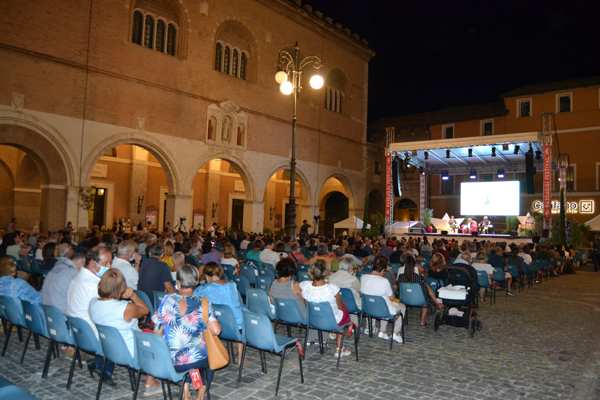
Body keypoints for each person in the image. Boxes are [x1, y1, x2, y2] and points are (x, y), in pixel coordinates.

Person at [153, 265, 221, 400]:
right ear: (196, 282)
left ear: (178, 282)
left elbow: (156, 329)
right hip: (196, 360)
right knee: (209, 363)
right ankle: (201, 392)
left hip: (171, 361)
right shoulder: (204, 303)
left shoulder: (166, 300)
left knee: (188, 361)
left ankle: (185, 389)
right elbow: (216, 330)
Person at [89, 269, 160, 395]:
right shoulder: (126, 308)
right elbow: (145, 310)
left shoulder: (93, 303)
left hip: (108, 350)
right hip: (131, 353)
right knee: (156, 337)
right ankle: (150, 382)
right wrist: (133, 296)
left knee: (146, 331)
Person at [66, 247, 118, 386]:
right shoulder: (95, 285)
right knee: (117, 333)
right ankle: (104, 371)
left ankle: (97, 362)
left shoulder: (76, 277)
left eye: (110, 263)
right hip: (90, 335)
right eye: (106, 264)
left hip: (76, 331)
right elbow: (106, 315)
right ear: (93, 264)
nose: (109, 267)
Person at [194, 262, 247, 365]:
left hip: (216, 327)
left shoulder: (203, 289)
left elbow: (194, 295)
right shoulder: (232, 285)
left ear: (207, 275)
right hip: (237, 327)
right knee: (238, 315)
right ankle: (241, 357)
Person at [300, 259, 352, 357]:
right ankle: (339, 348)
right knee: (344, 310)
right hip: (330, 320)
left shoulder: (305, 286)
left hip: (313, 319)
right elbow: (340, 307)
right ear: (326, 272)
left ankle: (334, 334)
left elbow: (307, 304)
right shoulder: (332, 288)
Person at [360, 256, 404, 342]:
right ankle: (395, 333)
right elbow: (392, 297)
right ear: (383, 270)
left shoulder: (363, 277)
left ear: (372, 266)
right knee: (402, 307)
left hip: (368, 308)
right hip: (383, 310)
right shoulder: (384, 281)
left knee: (386, 303)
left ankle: (383, 332)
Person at [397, 257, 441, 326]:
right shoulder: (419, 277)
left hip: (405, 299)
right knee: (427, 299)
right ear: (414, 266)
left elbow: (399, 290)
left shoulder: (400, 277)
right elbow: (424, 291)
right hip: (419, 300)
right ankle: (422, 321)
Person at [42, 250, 86, 314]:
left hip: (46, 311)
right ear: (83, 261)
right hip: (61, 315)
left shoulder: (56, 267)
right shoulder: (75, 273)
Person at [328, 255, 362, 323]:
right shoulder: (353, 280)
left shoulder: (331, 277)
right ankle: (353, 325)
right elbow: (360, 292)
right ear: (351, 267)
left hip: (336, 304)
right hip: (352, 306)